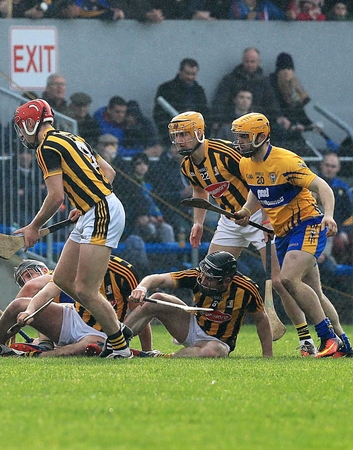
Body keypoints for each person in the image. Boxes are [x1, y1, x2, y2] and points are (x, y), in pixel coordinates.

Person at [174, 111, 349, 357]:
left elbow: (310, 184)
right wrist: (221, 217)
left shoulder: (269, 158)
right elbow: (249, 189)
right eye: (176, 136)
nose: (179, 140)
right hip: (253, 222)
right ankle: (343, 342)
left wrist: (324, 215)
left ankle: (314, 337)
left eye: (183, 134)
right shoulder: (214, 164)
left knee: (284, 280)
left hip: (287, 220)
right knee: (209, 272)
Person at [12, 98, 132, 358]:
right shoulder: (72, 138)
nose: (21, 133)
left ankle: (121, 347)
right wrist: (84, 201)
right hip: (95, 208)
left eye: (22, 127)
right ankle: (119, 329)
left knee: (85, 290)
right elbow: (108, 173)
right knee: (62, 280)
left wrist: (33, 227)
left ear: (32, 124)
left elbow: (56, 197)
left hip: (101, 211)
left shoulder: (45, 147)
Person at [232, 112, 345, 357]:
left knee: (288, 279)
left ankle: (327, 338)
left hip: (308, 224)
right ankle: (344, 343)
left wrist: (329, 215)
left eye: (244, 137)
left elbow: (322, 186)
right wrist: (245, 211)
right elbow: (256, 192)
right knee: (314, 293)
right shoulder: (246, 163)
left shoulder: (286, 161)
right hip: (284, 233)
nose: (239, 142)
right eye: (238, 137)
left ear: (261, 137)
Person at [0, 255, 152, 357]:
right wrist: (29, 311)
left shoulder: (124, 272)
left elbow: (140, 314)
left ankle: (39, 355)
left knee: (87, 346)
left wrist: (146, 351)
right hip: (73, 318)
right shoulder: (74, 264)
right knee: (18, 305)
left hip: (104, 332)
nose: (29, 280)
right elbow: (47, 291)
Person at [125, 251, 273, 357]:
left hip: (219, 341)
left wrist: (268, 355)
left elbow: (261, 319)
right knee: (157, 298)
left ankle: (162, 357)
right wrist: (142, 288)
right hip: (192, 326)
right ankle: (115, 343)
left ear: (226, 280)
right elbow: (157, 279)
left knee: (212, 352)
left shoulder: (246, 289)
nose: (202, 280)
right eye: (203, 275)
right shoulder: (197, 276)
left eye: (209, 279)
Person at [210, 48, 288, 136]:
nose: (249, 64)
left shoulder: (263, 81)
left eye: (252, 62)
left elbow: (271, 101)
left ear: (258, 62)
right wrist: (217, 120)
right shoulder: (230, 80)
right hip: (232, 122)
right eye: (247, 61)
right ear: (243, 61)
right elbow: (220, 101)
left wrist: (278, 116)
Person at [114, 152, 175, 244]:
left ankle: (170, 258)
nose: (142, 166)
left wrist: (158, 215)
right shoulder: (130, 183)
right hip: (138, 219)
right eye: (139, 163)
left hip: (153, 218)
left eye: (145, 163)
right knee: (151, 229)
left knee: (167, 229)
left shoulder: (150, 183)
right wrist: (149, 218)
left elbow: (153, 203)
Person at [153, 58, 209, 148]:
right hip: (171, 139)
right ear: (180, 71)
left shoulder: (199, 92)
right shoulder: (166, 89)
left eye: (193, 74)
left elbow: (205, 114)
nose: (190, 77)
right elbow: (159, 114)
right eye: (187, 73)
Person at [267, 52, 314, 154]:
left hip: (292, 128)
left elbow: (299, 109)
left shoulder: (294, 85)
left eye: (289, 69)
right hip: (277, 130)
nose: (287, 72)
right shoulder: (270, 85)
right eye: (284, 69)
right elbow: (272, 109)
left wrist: (310, 124)